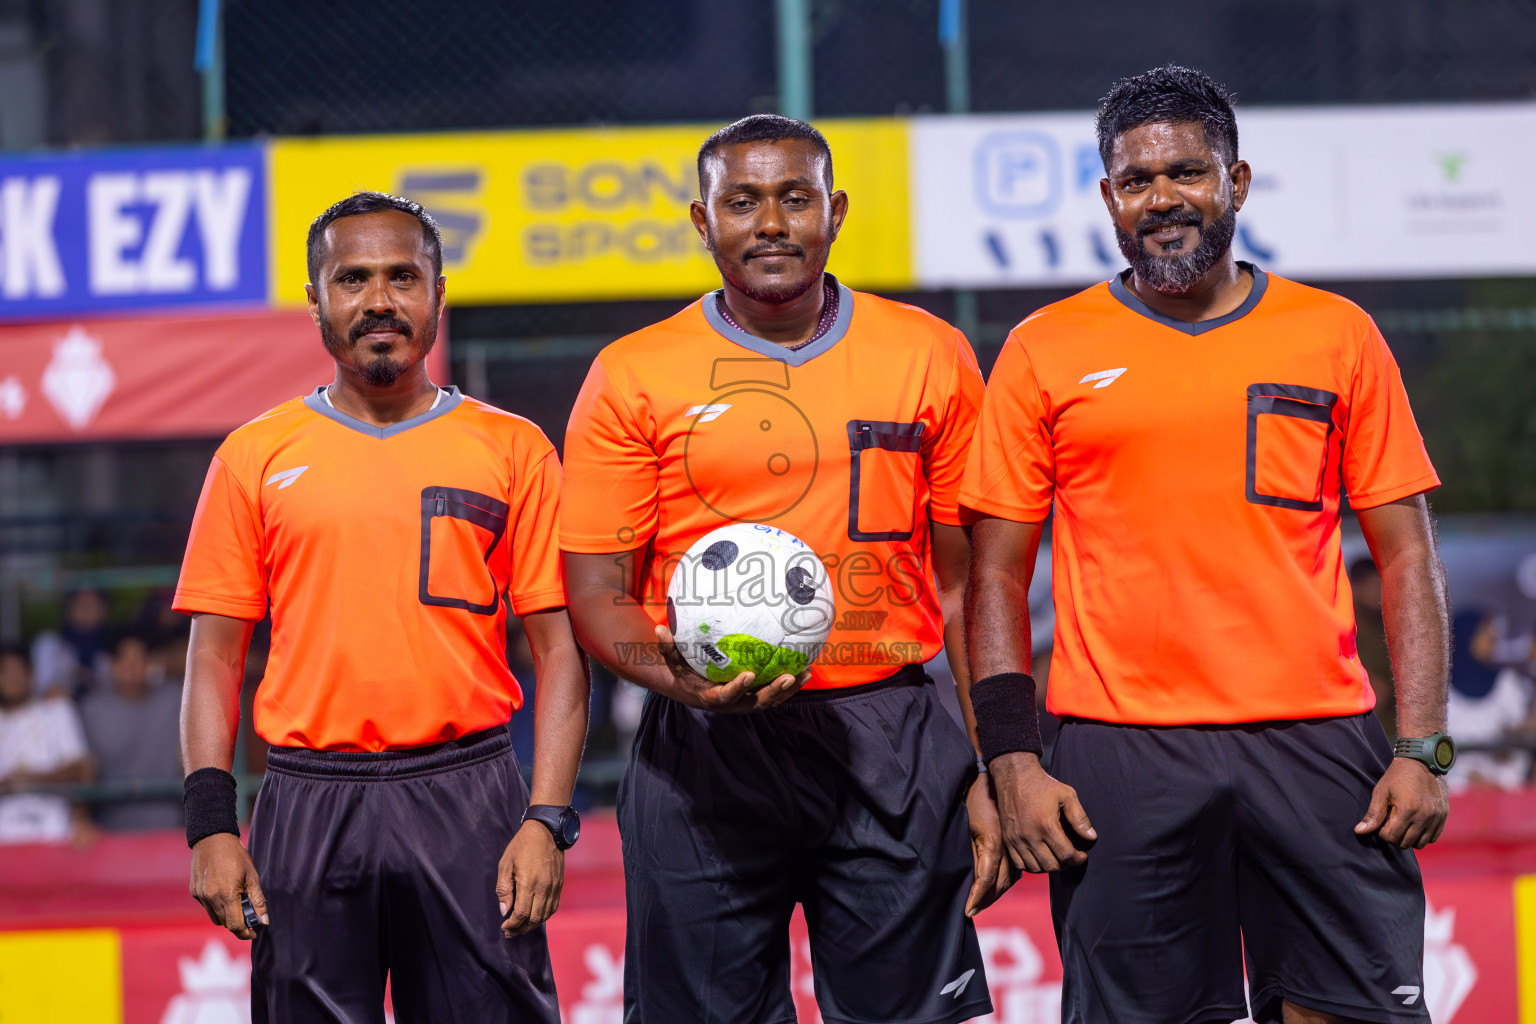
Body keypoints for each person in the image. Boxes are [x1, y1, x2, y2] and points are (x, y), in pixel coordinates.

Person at [962, 66, 1452, 1024]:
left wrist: (1423, 747)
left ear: (1237, 181)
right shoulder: (1043, 348)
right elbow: (993, 578)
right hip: (1119, 751)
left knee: (1346, 1013)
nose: (1163, 199)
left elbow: (1406, 557)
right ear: (1109, 197)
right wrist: (1011, 760)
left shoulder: (1336, 333)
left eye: (1188, 172)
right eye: (1138, 181)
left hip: (1315, 740)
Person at [560, 114, 1000, 1024]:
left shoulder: (929, 353)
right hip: (703, 746)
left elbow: (966, 585)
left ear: (834, 212)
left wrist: (998, 760)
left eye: (795, 198)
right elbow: (597, 593)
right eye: (743, 201)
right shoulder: (632, 374)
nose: (771, 222)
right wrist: (676, 680)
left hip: (891, 729)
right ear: (702, 220)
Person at [174, 191, 589, 1023]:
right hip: (308, 795)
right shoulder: (254, 456)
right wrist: (211, 826)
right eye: (351, 278)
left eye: (403, 276)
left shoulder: (515, 448)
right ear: (317, 302)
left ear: (438, 294)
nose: (378, 300)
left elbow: (560, 653)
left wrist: (546, 818)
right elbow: (213, 657)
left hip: (469, 792)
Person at [80, 631, 184, 830]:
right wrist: (82, 819)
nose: (132, 666)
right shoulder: (91, 709)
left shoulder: (175, 698)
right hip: (110, 828)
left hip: (171, 823)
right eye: (124, 659)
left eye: (139, 658)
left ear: (151, 663)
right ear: (112, 665)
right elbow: (85, 769)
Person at [0, 644, 94, 845]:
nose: (12, 678)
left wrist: (34, 779)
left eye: (19, 670)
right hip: (4, 834)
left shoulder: (56, 711)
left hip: (55, 830)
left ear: (31, 674)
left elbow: (82, 768)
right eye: (4, 672)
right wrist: (8, 783)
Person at [1445, 608, 1532, 790]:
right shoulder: (1439, 690)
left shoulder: (1507, 683)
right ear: (1465, 636)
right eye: (1485, 632)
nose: (1493, 638)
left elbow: (1518, 745)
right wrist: (1464, 779)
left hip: (1500, 791)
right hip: (1452, 791)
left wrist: (1502, 780)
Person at [1350, 557, 1397, 739]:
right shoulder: (1345, 631)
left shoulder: (1390, 629)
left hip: (1388, 729)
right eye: (1370, 585)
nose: (1377, 591)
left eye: (1379, 584)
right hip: (1354, 728)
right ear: (1355, 587)